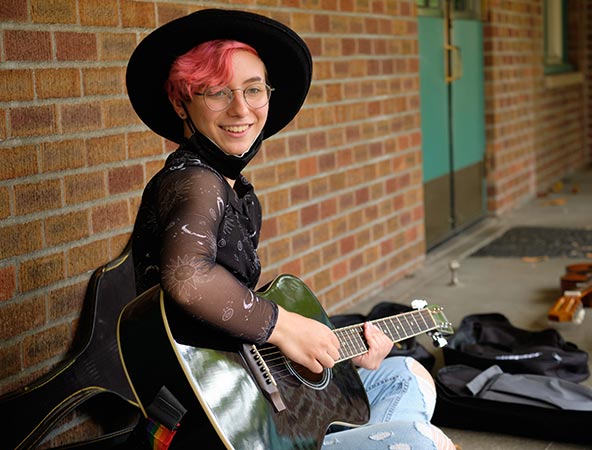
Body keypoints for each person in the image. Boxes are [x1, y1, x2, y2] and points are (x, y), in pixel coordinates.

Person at [126, 8, 457, 450]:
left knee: (406, 375)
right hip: (221, 425)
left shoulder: (233, 188)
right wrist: (284, 326)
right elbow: (188, 277)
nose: (241, 109)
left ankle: (359, 434)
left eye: (253, 89)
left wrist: (334, 351)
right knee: (422, 440)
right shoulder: (197, 181)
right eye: (217, 93)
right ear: (180, 101)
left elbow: (241, 331)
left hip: (255, 397)